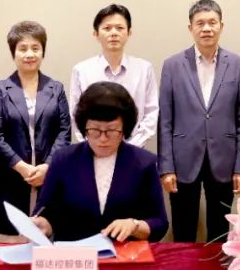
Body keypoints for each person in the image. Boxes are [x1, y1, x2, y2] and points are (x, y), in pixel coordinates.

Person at [158, 0, 240, 242]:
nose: (206, 28)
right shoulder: (172, 65)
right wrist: (166, 167)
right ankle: (183, 268)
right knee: (183, 229)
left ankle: (216, 267)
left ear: (221, 25)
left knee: (220, 230)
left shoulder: (238, 65)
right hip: (183, 159)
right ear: (191, 28)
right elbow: (165, 120)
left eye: (212, 22)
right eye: (200, 23)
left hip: (224, 158)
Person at [33, 82, 168, 242]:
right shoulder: (63, 159)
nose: (103, 139)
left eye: (111, 130)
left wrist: (135, 225)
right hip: (76, 252)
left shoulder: (144, 163)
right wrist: (42, 225)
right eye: (95, 130)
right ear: (84, 128)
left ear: (124, 129)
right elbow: (46, 212)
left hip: (124, 252)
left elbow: (160, 223)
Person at [0, 21, 72, 235]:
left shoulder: (56, 88)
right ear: (14, 52)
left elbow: (64, 132)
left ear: (43, 51)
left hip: (49, 175)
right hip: (10, 174)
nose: (30, 54)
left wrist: (47, 167)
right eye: (23, 48)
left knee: (46, 237)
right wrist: (22, 168)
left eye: (35, 48)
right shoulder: (1, 89)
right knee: (14, 239)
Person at [69, 4, 158, 147]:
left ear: (129, 33)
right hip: (93, 150)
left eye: (120, 28)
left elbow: (151, 114)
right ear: (96, 34)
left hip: (134, 151)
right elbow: (75, 115)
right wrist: (94, 146)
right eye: (107, 28)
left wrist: (131, 148)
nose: (114, 33)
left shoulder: (144, 69)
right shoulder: (81, 70)